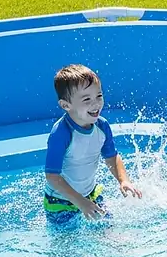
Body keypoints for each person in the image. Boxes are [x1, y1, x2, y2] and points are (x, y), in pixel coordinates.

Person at [44, 64, 142, 223]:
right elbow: (52, 176)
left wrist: (124, 180)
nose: (96, 104)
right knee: (67, 243)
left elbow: (112, 157)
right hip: (60, 203)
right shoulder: (61, 133)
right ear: (66, 105)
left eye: (99, 96)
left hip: (91, 194)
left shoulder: (102, 126)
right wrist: (80, 202)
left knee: (109, 229)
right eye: (87, 99)